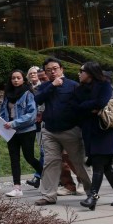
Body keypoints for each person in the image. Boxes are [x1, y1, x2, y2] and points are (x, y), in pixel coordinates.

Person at [34, 57, 92, 206]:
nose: (52, 72)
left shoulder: (73, 85)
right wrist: (52, 86)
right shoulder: (44, 86)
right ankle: (48, 196)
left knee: (79, 163)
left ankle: (92, 193)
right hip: (50, 131)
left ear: (61, 69)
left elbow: (83, 106)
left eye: (55, 69)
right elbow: (38, 99)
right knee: (50, 163)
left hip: (70, 130)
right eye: (48, 70)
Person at [73, 62, 113, 210]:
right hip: (88, 130)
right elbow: (75, 106)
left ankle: (92, 197)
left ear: (90, 72)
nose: (79, 73)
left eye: (82, 71)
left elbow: (101, 102)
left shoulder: (104, 84)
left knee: (99, 164)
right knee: (106, 167)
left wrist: (87, 106)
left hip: (103, 129)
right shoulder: (79, 89)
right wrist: (90, 107)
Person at [0, 70, 41, 198]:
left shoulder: (28, 93)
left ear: (23, 79)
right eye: (13, 78)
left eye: (18, 78)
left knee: (29, 157)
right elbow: (3, 111)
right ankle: (16, 187)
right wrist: (1, 125)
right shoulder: (8, 94)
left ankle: (48, 176)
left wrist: (14, 123)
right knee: (14, 158)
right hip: (10, 131)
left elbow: (31, 115)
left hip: (26, 130)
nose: (16, 80)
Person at [25, 66, 45, 189]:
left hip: (43, 121)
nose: (33, 74)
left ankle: (38, 176)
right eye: (31, 73)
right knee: (42, 150)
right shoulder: (28, 88)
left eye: (35, 73)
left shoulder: (42, 87)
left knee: (43, 151)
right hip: (34, 124)